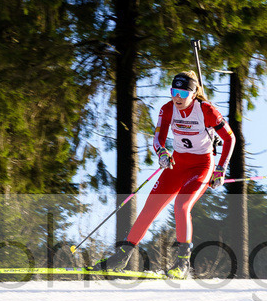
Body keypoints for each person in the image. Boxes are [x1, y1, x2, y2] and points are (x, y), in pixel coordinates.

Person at [97, 71, 235, 278]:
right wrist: (162, 152)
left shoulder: (207, 110)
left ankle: (182, 264)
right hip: (177, 165)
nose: (177, 97)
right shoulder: (168, 109)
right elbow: (158, 138)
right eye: (173, 91)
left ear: (193, 93)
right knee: (149, 209)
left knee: (181, 206)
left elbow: (230, 139)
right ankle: (120, 258)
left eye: (182, 92)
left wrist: (220, 169)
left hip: (202, 166)